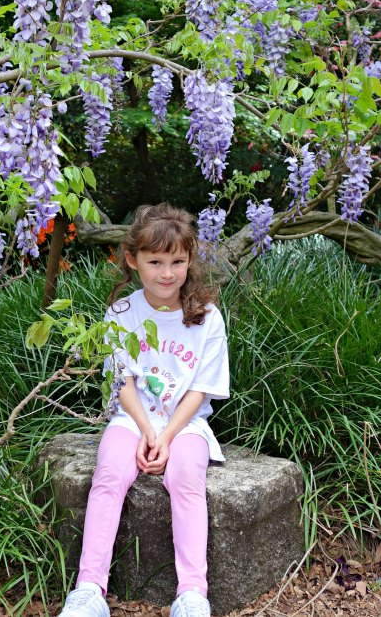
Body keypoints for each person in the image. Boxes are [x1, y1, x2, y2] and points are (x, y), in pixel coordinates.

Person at [58, 204, 230, 617]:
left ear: (190, 261)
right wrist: (144, 430)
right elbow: (123, 382)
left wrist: (166, 435)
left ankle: (192, 594)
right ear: (133, 261)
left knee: (186, 477)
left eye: (177, 261)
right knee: (110, 474)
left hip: (186, 424)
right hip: (130, 418)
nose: (167, 273)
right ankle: (88, 592)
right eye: (155, 262)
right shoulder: (121, 313)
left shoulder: (206, 318)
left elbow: (201, 390)